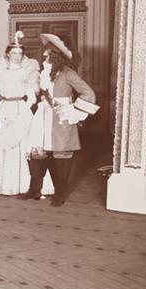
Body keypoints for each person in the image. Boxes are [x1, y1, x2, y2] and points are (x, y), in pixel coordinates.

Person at [19, 34, 98, 206]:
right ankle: (34, 190)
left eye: (47, 52)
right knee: (37, 153)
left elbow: (89, 93)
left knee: (61, 155)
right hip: (42, 116)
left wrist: (72, 110)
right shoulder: (45, 72)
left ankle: (60, 194)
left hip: (61, 118)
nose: (44, 54)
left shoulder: (68, 74)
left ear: (55, 55)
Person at [0, 32, 54, 196]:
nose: (17, 56)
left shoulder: (28, 71)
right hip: (4, 110)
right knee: (1, 144)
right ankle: (1, 183)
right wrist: (0, 113)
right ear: (8, 54)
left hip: (21, 109)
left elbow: (31, 97)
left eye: (20, 53)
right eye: (14, 53)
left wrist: (21, 115)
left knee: (23, 144)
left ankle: (24, 184)